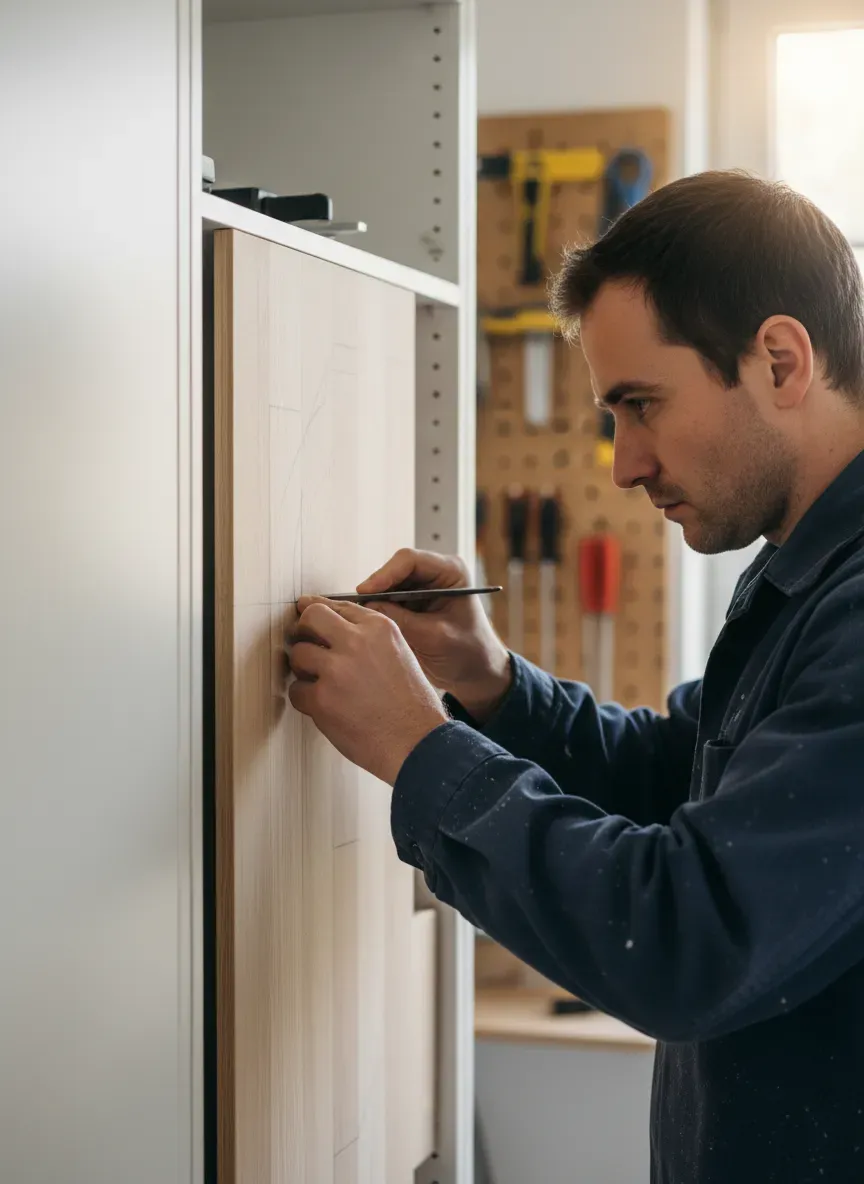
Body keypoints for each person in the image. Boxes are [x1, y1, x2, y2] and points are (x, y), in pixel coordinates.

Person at [287, 170, 864, 1184]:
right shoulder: (804, 575)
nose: (622, 463)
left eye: (641, 404)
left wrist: (424, 751)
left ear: (780, 359)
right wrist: (495, 683)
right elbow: (678, 778)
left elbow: (693, 931)